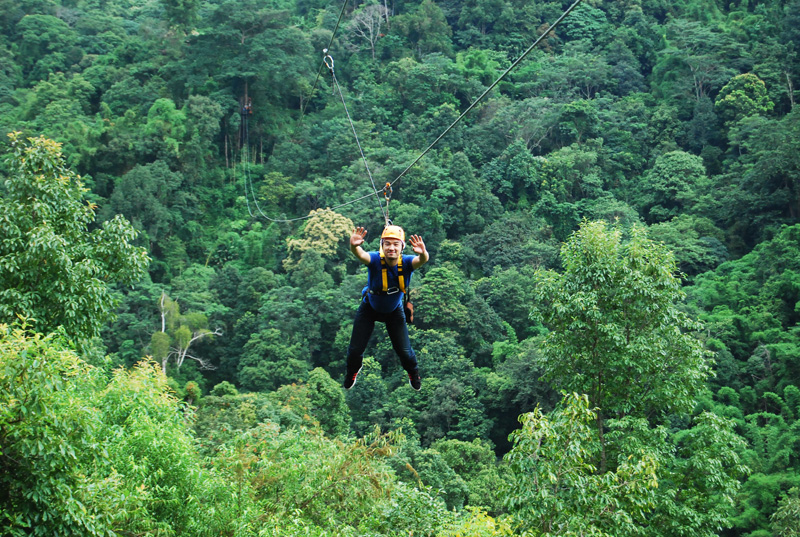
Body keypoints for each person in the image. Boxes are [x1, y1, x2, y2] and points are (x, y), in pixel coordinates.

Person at [345, 224, 430, 390]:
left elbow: (421, 260)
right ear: (382, 246)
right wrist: (354, 246)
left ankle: (413, 372)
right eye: (387, 244)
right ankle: (352, 372)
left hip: (393, 312)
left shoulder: (406, 263)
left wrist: (424, 253)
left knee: (405, 352)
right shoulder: (375, 260)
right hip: (369, 307)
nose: (391, 248)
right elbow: (361, 255)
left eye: (396, 244)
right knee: (355, 350)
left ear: (402, 247)